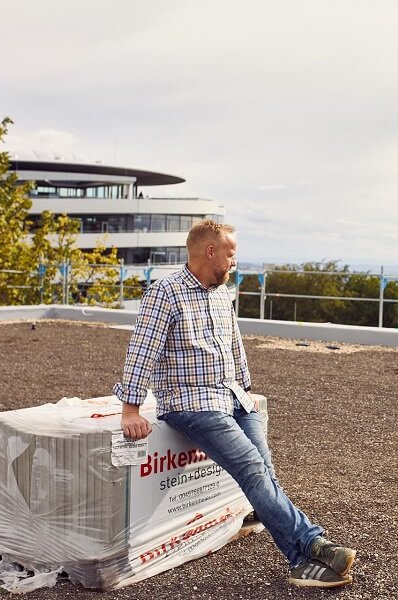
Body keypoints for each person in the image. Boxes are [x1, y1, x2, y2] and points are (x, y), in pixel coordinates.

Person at [114, 220, 356, 588]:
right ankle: (310, 547)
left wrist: (246, 390)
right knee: (253, 470)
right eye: (231, 254)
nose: (234, 261)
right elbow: (142, 351)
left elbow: (234, 346)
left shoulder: (221, 294)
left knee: (264, 470)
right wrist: (130, 409)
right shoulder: (165, 293)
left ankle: (291, 544)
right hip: (192, 402)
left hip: (233, 397)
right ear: (210, 252)